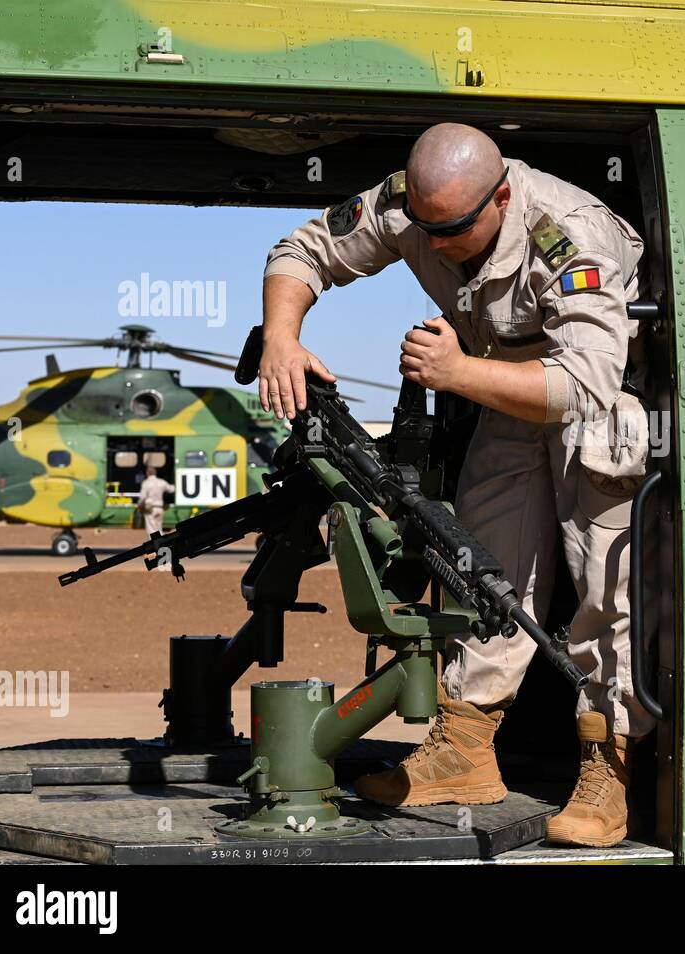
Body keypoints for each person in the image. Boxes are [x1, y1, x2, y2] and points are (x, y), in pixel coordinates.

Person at [259, 123, 653, 847]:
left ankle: (611, 771)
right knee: (478, 563)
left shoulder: (567, 235)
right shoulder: (414, 205)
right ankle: (466, 750)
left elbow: (585, 382)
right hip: (502, 389)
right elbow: (303, 251)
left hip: (592, 402)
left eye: (453, 232)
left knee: (608, 582)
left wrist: (455, 373)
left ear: (501, 197)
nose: (433, 245)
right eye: (423, 228)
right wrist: (282, 334)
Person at [138, 466, 174, 538]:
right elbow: (171, 489)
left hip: (150, 509)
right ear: (155, 473)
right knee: (159, 529)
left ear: (147, 473)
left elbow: (142, 497)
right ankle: (162, 546)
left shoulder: (146, 483)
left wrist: (139, 505)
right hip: (160, 508)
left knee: (151, 530)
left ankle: (155, 547)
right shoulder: (161, 482)